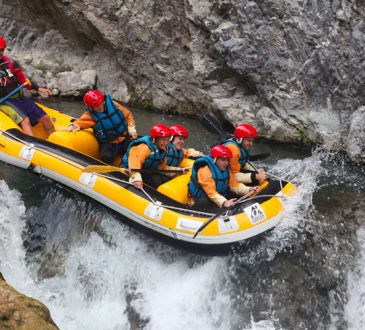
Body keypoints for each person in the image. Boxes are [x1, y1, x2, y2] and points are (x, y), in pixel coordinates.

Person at [0, 35, 55, 136]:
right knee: (25, 120)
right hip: (5, 101)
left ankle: (55, 146)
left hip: (19, 97)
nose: (0, 52)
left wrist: (38, 88)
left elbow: (22, 80)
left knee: (45, 118)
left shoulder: (10, 63)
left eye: (1, 50)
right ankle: (33, 147)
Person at [66, 89, 138, 164]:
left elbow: (128, 115)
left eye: (100, 103)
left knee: (137, 147)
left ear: (103, 100)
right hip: (109, 142)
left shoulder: (114, 105)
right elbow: (79, 123)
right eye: (96, 106)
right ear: (91, 107)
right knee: (106, 156)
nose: (100, 107)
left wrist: (132, 129)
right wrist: (73, 126)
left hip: (124, 137)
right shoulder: (90, 115)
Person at [188, 145, 259, 209]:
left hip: (219, 196)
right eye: (223, 160)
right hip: (203, 199)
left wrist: (248, 190)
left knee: (234, 195)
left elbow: (234, 185)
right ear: (215, 159)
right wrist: (224, 202)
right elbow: (211, 192)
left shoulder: (225, 169)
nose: (226, 163)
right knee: (205, 202)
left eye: (227, 160)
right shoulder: (204, 170)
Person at [121, 124, 186, 189]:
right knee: (156, 180)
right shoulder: (144, 148)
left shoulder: (163, 150)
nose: (166, 143)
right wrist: (136, 179)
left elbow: (163, 168)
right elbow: (134, 165)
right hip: (128, 171)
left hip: (145, 170)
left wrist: (177, 170)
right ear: (155, 139)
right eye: (163, 140)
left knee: (162, 179)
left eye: (167, 140)